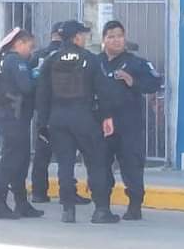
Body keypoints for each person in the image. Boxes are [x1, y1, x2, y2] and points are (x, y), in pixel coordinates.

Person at [35, 20, 120, 224]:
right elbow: (103, 91)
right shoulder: (89, 59)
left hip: (57, 118)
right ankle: (101, 210)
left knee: (65, 164)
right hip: (83, 117)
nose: (85, 38)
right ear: (76, 37)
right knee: (96, 162)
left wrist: (43, 123)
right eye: (83, 34)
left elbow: (42, 94)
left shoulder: (51, 59)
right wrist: (107, 116)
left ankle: (68, 210)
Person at [99, 21, 161, 221]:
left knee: (132, 165)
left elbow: (154, 83)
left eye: (119, 36)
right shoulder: (95, 62)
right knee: (100, 165)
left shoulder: (136, 63)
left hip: (129, 124)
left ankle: (134, 206)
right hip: (102, 124)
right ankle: (102, 206)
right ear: (103, 40)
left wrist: (132, 81)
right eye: (111, 36)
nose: (116, 40)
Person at [29, 22, 91, 206]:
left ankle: (39, 192)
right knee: (67, 157)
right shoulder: (78, 56)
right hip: (69, 111)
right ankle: (68, 194)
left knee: (42, 154)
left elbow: (32, 82)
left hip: (45, 112)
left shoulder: (40, 56)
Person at [0, 28, 44, 220]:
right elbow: (26, 87)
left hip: (7, 115)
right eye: (30, 46)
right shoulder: (15, 61)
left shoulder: (2, 59)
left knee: (20, 159)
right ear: (19, 44)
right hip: (12, 116)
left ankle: (21, 203)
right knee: (11, 160)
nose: (31, 51)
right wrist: (37, 75)